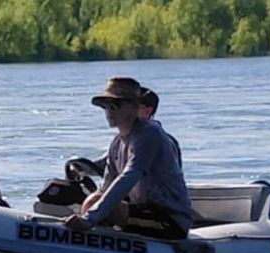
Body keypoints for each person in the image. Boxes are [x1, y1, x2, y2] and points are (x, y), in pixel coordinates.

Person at [64, 77, 192, 240]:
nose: (109, 111)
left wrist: (89, 219)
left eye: (115, 105)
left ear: (134, 106)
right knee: (93, 200)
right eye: (105, 106)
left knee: (109, 209)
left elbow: (130, 175)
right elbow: (106, 187)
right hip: (142, 211)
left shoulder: (149, 134)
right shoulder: (117, 142)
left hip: (168, 220)